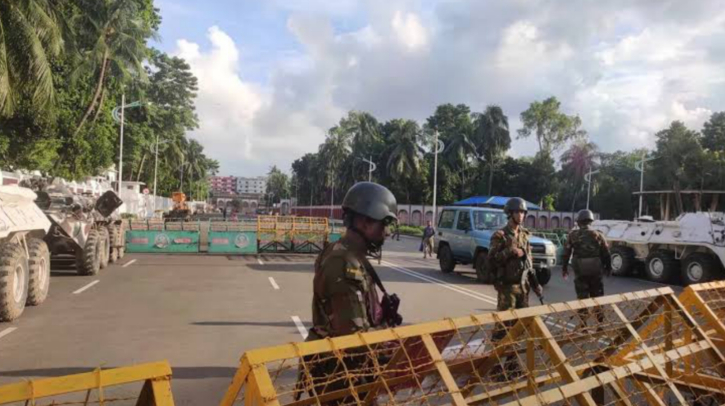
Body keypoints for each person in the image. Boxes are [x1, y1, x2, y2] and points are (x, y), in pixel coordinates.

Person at [297, 182, 399, 404]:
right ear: (364, 221)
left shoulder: (352, 256)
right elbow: (353, 338)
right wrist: (393, 342)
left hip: (351, 372)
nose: (387, 232)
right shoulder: (343, 263)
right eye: (384, 224)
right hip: (340, 376)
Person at [488, 197, 542, 311]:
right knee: (505, 326)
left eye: (522, 212)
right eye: (517, 212)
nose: (520, 215)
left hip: (523, 287)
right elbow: (491, 260)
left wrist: (536, 284)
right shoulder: (501, 235)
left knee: (522, 325)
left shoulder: (524, 235)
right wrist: (510, 251)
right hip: (507, 288)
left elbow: (529, 263)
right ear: (510, 213)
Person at [562, 209, 611, 327]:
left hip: (580, 272)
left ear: (578, 222)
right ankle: (600, 324)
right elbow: (606, 253)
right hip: (596, 272)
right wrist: (608, 268)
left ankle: (583, 325)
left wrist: (564, 269)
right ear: (590, 221)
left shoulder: (573, 235)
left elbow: (566, 253)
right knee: (598, 298)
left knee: (582, 298)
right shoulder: (598, 235)